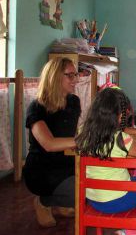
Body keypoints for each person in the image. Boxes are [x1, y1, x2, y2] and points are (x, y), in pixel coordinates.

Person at [75, 88, 136, 235]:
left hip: (93, 198)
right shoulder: (119, 138)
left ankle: (133, 230)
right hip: (116, 200)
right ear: (118, 116)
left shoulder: (83, 131)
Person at [23, 57, 81, 227]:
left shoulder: (73, 102)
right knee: (84, 193)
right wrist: (83, 140)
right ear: (55, 77)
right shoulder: (37, 107)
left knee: (94, 184)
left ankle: (61, 202)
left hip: (67, 165)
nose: (75, 80)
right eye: (70, 75)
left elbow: (71, 135)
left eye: (75, 75)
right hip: (43, 171)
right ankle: (43, 201)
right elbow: (49, 144)